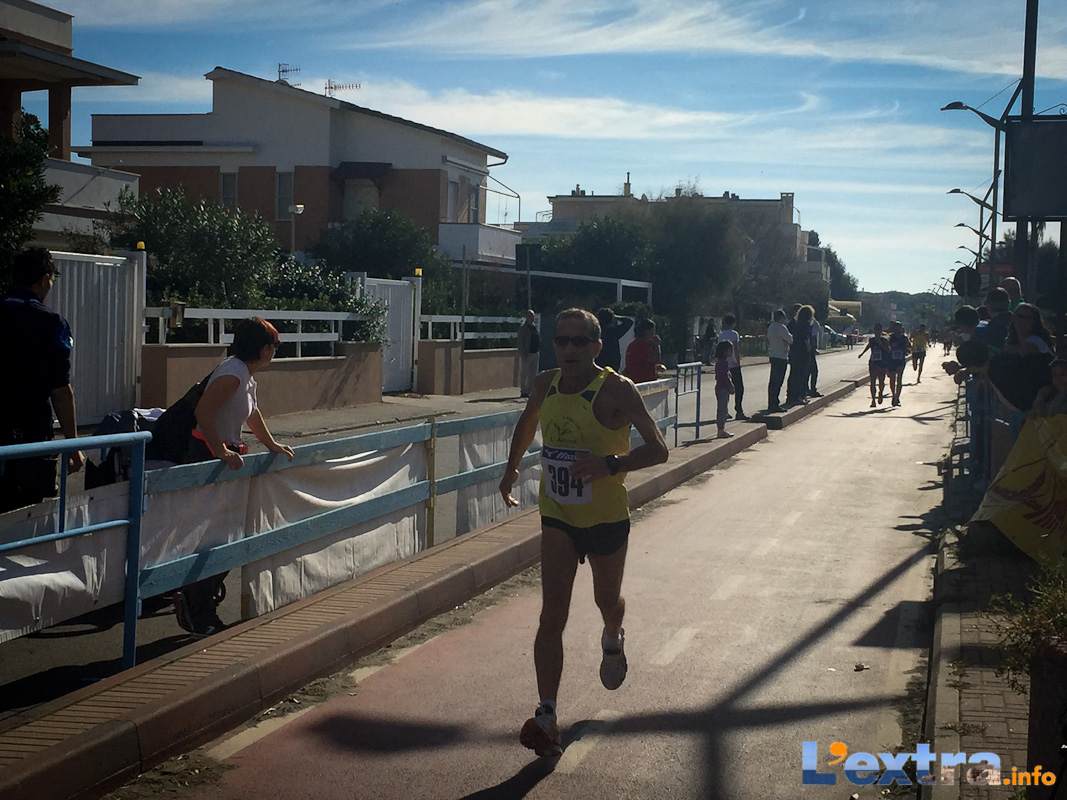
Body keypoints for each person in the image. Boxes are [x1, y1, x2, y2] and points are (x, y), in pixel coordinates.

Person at [499, 308, 669, 758]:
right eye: (562, 341)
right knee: (551, 615)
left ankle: (613, 635)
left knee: (606, 601)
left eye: (579, 342)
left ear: (597, 346)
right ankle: (547, 715)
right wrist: (511, 468)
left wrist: (610, 464)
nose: (569, 349)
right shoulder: (545, 384)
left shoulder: (616, 389)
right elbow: (527, 422)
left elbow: (659, 449)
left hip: (606, 517)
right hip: (558, 515)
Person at [172, 317, 295, 636]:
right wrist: (221, 451)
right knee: (215, 534)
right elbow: (203, 414)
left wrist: (272, 444)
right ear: (264, 349)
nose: (274, 352)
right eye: (274, 347)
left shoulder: (244, 375)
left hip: (223, 459)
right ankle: (196, 605)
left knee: (227, 533)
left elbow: (252, 414)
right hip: (208, 457)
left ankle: (201, 601)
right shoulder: (233, 374)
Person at [0, 249, 84, 513]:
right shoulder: (50, 323)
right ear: (45, 278)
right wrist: (73, 445)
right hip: (30, 432)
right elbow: (61, 390)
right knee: (24, 516)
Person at [717, 314, 746, 419]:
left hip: (724, 363)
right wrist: (738, 362)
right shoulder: (734, 334)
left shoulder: (721, 335)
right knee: (739, 388)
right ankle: (739, 410)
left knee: (725, 388)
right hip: (733, 364)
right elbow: (736, 349)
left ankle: (724, 411)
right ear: (733, 323)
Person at [786, 305, 813, 406]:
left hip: (794, 352)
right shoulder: (806, 325)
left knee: (793, 374)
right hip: (803, 352)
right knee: (801, 375)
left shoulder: (796, 324)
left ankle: (791, 396)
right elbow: (806, 339)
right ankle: (798, 396)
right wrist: (809, 349)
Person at [857, 323, 890, 408]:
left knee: (881, 382)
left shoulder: (884, 340)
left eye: (879, 330)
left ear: (881, 331)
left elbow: (888, 350)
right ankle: (873, 400)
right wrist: (862, 353)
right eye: (876, 330)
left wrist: (881, 344)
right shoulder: (872, 340)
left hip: (882, 363)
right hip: (873, 363)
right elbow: (868, 346)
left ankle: (880, 393)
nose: (877, 332)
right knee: (872, 382)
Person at [766, 309, 792, 412]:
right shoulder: (781, 327)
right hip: (781, 356)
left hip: (773, 355)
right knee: (778, 381)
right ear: (781, 317)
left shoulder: (771, 327)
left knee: (773, 381)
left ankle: (771, 402)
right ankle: (774, 404)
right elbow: (790, 339)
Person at [622, 318, 661, 384]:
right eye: (652, 331)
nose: (654, 334)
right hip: (645, 380)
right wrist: (657, 346)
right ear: (646, 331)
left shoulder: (633, 344)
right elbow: (655, 360)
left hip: (633, 379)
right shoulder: (645, 345)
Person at [596, 308, 633, 372]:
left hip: (598, 364)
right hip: (612, 365)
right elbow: (629, 321)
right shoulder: (613, 332)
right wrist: (615, 316)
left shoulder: (595, 332)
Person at [517, 310, 541, 398]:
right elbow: (520, 342)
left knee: (533, 374)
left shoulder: (534, 327)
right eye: (530, 316)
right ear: (527, 317)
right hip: (527, 354)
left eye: (533, 316)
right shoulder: (523, 328)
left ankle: (529, 391)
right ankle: (523, 391)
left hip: (535, 353)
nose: (532, 318)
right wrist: (523, 353)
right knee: (525, 373)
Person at [886, 321, 910, 407]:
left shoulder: (904, 338)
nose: (897, 329)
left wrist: (906, 350)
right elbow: (887, 348)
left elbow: (909, 347)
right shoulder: (890, 337)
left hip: (900, 361)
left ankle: (897, 398)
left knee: (899, 379)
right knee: (892, 379)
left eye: (899, 327)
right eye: (896, 327)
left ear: (901, 328)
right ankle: (893, 395)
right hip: (892, 360)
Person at [714, 340, 735, 439]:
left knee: (724, 409)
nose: (731, 352)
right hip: (723, 388)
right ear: (724, 351)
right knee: (722, 410)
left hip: (721, 388)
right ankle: (721, 430)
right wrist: (730, 386)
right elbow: (724, 377)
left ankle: (721, 429)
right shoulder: (723, 363)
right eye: (730, 350)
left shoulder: (722, 362)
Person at [808, 315, 822, 398]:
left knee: (809, 372)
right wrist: (813, 348)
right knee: (813, 371)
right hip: (809, 351)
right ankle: (811, 390)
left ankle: (808, 389)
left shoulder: (810, 323)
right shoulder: (812, 323)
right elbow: (813, 336)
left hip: (808, 350)